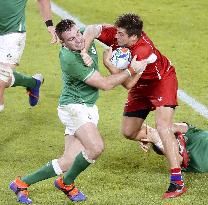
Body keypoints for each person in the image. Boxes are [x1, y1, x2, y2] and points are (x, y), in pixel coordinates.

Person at [9, 19, 147, 204]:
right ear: (63, 43)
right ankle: (66, 183)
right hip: (74, 107)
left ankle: (21, 183)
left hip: (87, 106)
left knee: (68, 160)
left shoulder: (81, 38)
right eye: (71, 39)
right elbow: (106, 84)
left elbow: (94, 27)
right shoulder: (70, 60)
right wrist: (132, 70)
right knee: (96, 147)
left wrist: (84, 49)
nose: (78, 39)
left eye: (78, 34)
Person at [82, 13, 185, 198]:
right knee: (129, 132)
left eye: (121, 34)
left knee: (163, 126)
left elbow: (128, 84)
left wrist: (108, 63)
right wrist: (84, 51)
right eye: (117, 32)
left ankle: (177, 182)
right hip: (140, 86)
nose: (115, 36)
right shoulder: (118, 36)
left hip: (161, 83)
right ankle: (166, 133)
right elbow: (91, 29)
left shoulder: (143, 50)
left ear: (133, 37)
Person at [0, 0, 57, 111]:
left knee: (1, 81)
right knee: (4, 79)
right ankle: (34, 83)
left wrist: (49, 25)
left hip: (12, 35)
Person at [138, 122, 208, 173]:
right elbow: (177, 160)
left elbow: (170, 127)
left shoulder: (189, 132)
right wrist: (157, 141)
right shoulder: (179, 158)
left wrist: (153, 136)